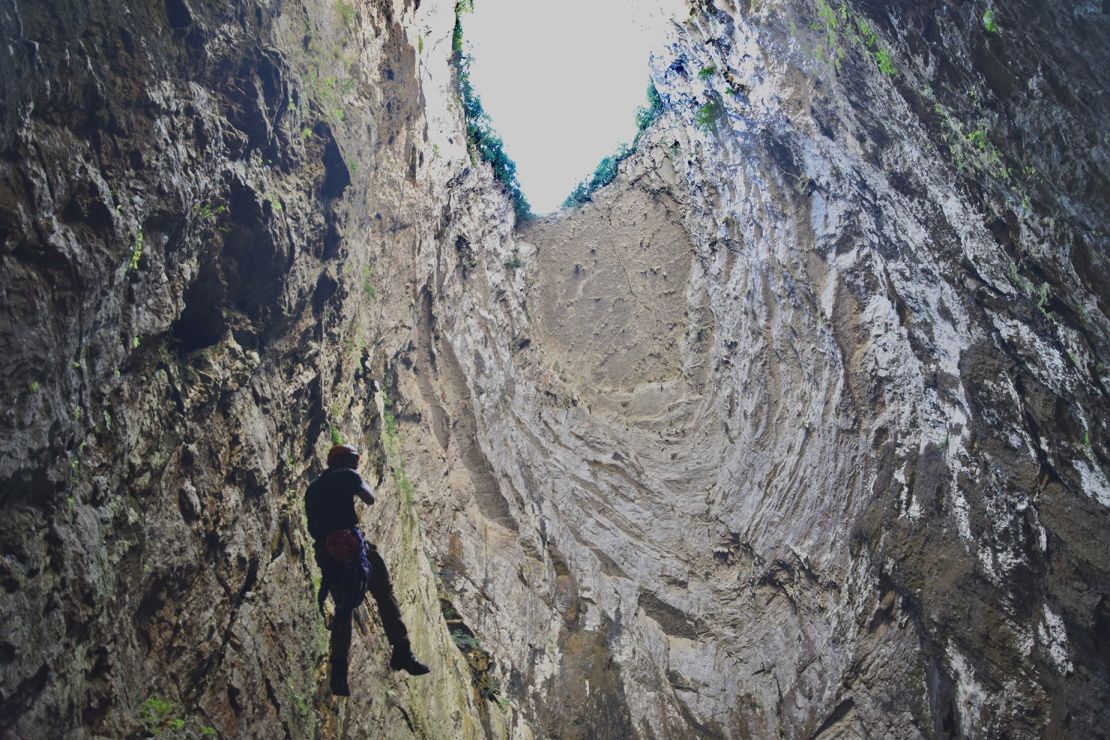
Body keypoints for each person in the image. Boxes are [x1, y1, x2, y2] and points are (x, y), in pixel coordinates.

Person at [304, 443, 430, 696]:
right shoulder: (348, 475)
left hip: (327, 553)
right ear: (342, 460)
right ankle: (402, 651)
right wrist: (357, 482)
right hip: (354, 546)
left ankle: (339, 675)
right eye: (353, 460)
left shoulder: (312, 489)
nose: (356, 465)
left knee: (344, 609)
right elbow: (369, 498)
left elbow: (313, 526)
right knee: (383, 592)